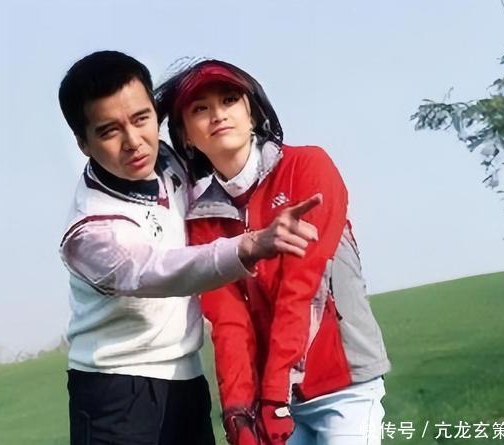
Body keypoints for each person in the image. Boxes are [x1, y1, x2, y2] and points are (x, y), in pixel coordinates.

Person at [57, 51, 321, 445]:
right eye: (110, 131)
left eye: (141, 119)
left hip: (187, 381)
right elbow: (155, 271)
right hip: (115, 392)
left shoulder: (170, 161)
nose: (133, 142)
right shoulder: (89, 230)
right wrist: (249, 246)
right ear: (83, 143)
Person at [156, 59, 391, 445]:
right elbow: (229, 322)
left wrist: (273, 396)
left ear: (252, 112)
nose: (218, 114)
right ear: (185, 136)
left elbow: (305, 289)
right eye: (200, 108)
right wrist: (237, 411)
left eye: (229, 100)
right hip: (275, 400)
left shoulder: (308, 166)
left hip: (344, 386)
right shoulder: (201, 219)